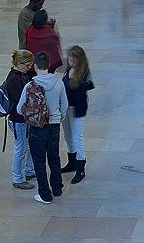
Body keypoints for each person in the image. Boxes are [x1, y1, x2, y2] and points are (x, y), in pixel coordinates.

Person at [18, 51, 69, 204]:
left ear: (34, 66)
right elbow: (64, 105)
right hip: (53, 126)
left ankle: (45, 194)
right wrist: (58, 118)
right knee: (54, 158)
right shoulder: (58, 83)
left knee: (39, 162)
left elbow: (20, 109)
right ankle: (57, 188)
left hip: (36, 128)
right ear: (49, 65)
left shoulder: (30, 85)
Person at [60, 45, 94, 183]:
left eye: (74, 58)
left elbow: (82, 92)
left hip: (76, 110)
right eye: (70, 58)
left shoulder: (84, 73)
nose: (71, 60)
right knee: (68, 136)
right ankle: (72, 162)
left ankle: (81, 168)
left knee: (77, 137)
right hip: (65, 108)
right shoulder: (68, 69)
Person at [4, 49, 37, 189]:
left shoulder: (20, 75)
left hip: (23, 119)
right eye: (27, 65)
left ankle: (29, 170)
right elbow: (20, 101)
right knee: (21, 149)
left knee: (28, 146)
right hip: (18, 120)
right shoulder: (14, 79)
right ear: (19, 63)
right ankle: (18, 178)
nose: (29, 68)